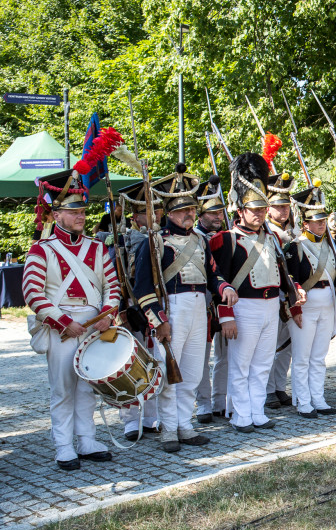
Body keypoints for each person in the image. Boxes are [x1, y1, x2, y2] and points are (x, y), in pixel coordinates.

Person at [22, 169, 120, 470]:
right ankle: (64, 446)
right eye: (73, 210)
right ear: (56, 214)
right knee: (63, 388)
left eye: (82, 210)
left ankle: (87, 439)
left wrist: (107, 315)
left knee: (88, 386)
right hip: (61, 328)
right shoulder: (42, 249)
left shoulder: (97, 247)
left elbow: (112, 286)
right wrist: (63, 321)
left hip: (94, 325)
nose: (81, 215)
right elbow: (32, 291)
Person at [134, 166, 237, 452]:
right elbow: (142, 288)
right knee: (170, 373)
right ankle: (168, 428)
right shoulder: (154, 242)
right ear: (168, 212)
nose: (188, 215)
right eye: (181, 211)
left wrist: (224, 288)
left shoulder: (200, 241)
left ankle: (184, 424)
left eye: (191, 209)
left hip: (197, 307)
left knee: (192, 372)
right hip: (172, 308)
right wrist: (159, 321)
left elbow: (212, 273)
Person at [210, 149, 305, 431]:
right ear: (240, 210)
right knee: (240, 364)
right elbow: (218, 279)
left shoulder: (273, 237)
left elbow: (283, 272)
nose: (260, 214)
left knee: (262, 362)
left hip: (270, 305)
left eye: (263, 209)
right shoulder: (224, 240)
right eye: (254, 210)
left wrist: (294, 292)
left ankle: (256, 410)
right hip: (244, 307)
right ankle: (240, 414)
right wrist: (226, 315)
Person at [282, 181, 336, 417]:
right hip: (305, 307)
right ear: (305, 223)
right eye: (316, 221)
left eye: (323, 220)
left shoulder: (332, 246)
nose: (321, 224)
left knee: (319, 356)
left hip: (327, 304)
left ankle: (318, 398)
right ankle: (303, 401)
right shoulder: (294, 247)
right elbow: (289, 282)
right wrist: (295, 310)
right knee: (302, 357)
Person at [112, 181, 162, 439]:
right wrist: (120, 312)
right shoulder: (121, 242)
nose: (154, 216)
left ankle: (153, 416)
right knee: (131, 368)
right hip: (131, 312)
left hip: (159, 309)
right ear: (135, 216)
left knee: (155, 366)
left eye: (157, 210)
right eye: (147, 211)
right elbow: (114, 280)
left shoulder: (164, 240)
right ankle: (131, 420)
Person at [194, 178, 230, 422]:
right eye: (213, 212)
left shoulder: (228, 236)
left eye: (220, 211)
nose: (218, 216)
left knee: (226, 354)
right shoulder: (195, 238)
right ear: (201, 213)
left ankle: (221, 401)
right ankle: (203, 405)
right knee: (200, 356)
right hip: (203, 300)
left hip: (226, 298)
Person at [265, 171, 296, 410]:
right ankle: (267, 390)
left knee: (287, 345)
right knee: (272, 345)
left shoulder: (293, 231)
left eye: (286, 206)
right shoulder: (266, 232)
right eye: (278, 206)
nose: (283, 210)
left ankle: (278, 386)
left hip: (293, 294)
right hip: (275, 293)